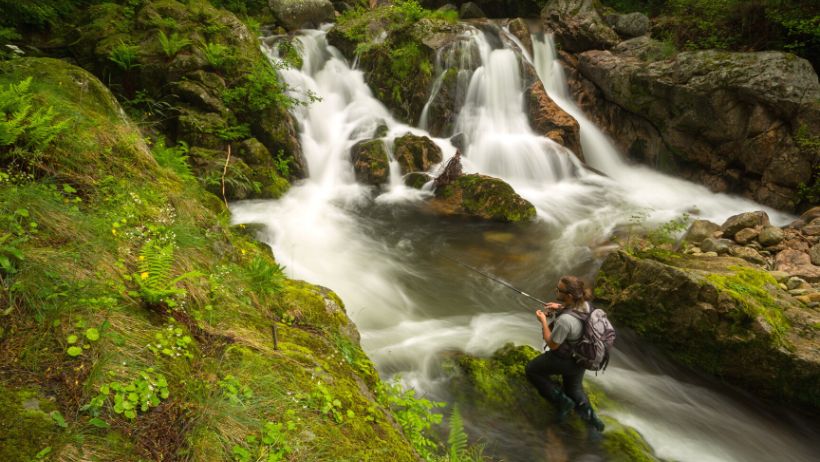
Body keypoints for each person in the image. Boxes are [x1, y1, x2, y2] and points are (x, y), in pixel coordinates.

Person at [525, 275, 605, 431]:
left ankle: (562, 402)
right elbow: (575, 316)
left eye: (559, 290)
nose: (556, 290)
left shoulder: (565, 321)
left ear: (569, 296)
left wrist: (543, 321)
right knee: (573, 389)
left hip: (565, 360)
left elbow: (553, 344)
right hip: (583, 358)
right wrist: (560, 307)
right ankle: (593, 421)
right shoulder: (587, 306)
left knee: (532, 370)